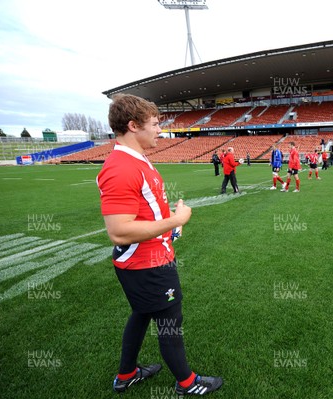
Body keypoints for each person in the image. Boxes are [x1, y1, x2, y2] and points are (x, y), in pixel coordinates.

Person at [96, 94, 223, 396]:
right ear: (132, 125)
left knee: (141, 315)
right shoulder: (122, 166)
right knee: (170, 321)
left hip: (150, 257)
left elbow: (143, 212)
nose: (160, 131)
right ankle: (187, 383)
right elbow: (119, 231)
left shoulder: (136, 160)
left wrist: (170, 224)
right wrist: (176, 219)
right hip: (147, 264)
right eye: (154, 124)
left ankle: (126, 374)